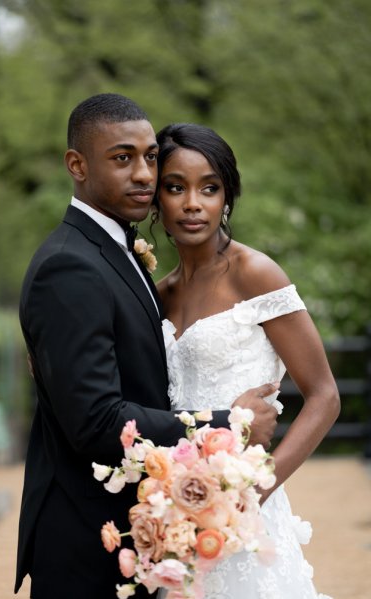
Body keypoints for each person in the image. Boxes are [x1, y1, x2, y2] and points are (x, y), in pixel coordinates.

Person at [14, 94, 280, 599]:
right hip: (85, 542)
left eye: (150, 157)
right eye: (122, 158)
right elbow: (95, 421)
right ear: (77, 165)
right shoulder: (68, 266)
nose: (143, 174)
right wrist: (228, 422)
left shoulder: (119, 248)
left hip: (141, 531)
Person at [154, 122, 340, 598]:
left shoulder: (254, 274)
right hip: (177, 509)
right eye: (175, 188)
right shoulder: (158, 293)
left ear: (227, 198)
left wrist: (253, 493)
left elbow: (324, 397)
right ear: (156, 198)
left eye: (209, 188)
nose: (193, 203)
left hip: (249, 509)